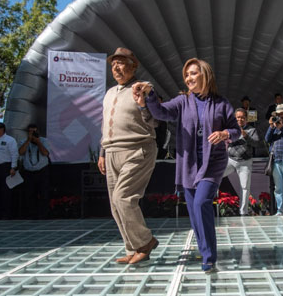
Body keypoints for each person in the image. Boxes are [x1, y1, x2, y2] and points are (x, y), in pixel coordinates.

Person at [134, 58, 240, 273]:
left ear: (205, 75)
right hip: (189, 164)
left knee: (201, 203)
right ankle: (204, 250)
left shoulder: (221, 103)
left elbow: (236, 129)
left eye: (193, 73)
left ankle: (209, 257)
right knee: (193, 212)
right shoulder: (183, 102)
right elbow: (161, 112)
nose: (188, 78)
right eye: (187, 75)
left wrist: (224, 133)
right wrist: (149, 95)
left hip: (213, 162)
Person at [98, 47, 159, 265]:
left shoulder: (142, 88)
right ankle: (133, 248)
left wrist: (146, 98)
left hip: (137, 149)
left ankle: (145, 241)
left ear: (133, 66)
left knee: (123, 198)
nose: (116, 66)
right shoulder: (109, 93)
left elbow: (155, 121)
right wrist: (102, 153)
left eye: (121, 62)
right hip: (111, 151)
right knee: (115, 206)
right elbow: (105, 125)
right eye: (113, 63)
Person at [222, 108, 260, 216]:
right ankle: (210, 206)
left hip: (245, 162)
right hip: (230, 160)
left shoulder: (251, 130)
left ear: (246, 119)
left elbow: (257, 143)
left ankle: (243, 212)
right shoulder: (230, 129)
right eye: (238, 117)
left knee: (245, 187)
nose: (240, 119)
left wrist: (246, 136)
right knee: (215, 177)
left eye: (242, 117)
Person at [18, 124, 51, 219]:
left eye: (34, 131)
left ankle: (43, 215)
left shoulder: (44, 141)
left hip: (42, 170)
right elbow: (21, 152)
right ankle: (31, 214)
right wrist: (29, 140)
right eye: (30, 132)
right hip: (28, 171)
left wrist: (38, 142)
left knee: (43, 193)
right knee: (29, 194)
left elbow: (45, 153)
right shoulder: (23, 142)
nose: (32, 133)